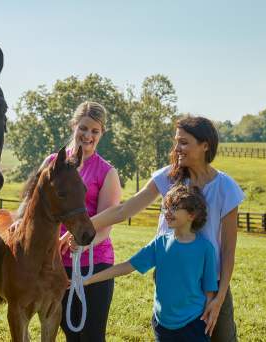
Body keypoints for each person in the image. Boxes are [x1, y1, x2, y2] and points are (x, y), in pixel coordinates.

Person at [81, 116, 245, 341]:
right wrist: (83, 227)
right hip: (172, 281)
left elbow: (228, 250)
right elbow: (124, 210)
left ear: (205, 145)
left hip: (211, 284)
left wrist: (218, 298)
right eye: (176, 141)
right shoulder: (169, 177)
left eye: (184, 142)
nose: (177, 148)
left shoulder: (226, 188)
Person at [15, 101, 122, 341]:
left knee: (92, 335)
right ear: (74, 125)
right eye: (83, 128)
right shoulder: (53, 161)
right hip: (55, 264)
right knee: (70, 333)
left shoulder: (107, 172)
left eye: (95, 131)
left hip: (94, 262)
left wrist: (82, 242)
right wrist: (19, 219)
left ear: (102, 133)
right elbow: (31, 198)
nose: (88, 135)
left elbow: (106, 225)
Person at [84, 184, 217, 341]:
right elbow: (127, 266)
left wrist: (207, 316)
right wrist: (87, 280)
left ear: (192, 215)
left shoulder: (205, 248)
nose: (167, 213)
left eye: (174, 208)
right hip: (162, 323)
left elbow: (209, 288)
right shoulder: (159, 243)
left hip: (193, 323)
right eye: (166, 208)